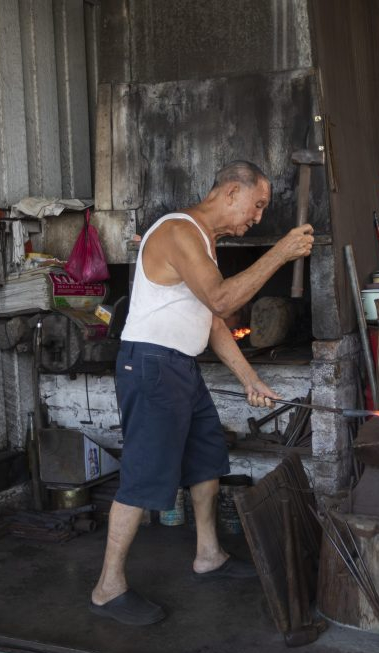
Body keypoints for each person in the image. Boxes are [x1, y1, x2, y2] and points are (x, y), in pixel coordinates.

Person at [90, 160, 314, 625]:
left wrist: (250, 378)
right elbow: (223, 301)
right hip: (150, 365)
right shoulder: (178, 231)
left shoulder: (204, 241)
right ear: (231, 191)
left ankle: (208, 554)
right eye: (256, 205)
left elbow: (212, 322)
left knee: (208, 458)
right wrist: (281, 252)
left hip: (178, 366)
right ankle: (108, 587)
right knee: (144, 474)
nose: (256, 217)